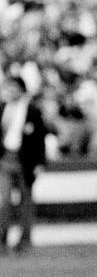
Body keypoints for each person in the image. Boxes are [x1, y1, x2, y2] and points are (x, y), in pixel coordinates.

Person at [0, 75, 47, 252]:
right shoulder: (3, 108)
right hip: (5, 159)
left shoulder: (32, 111)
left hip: (25, 161)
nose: (10, 91)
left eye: (13, 87)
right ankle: (2, 238)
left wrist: (40, 163)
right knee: (3, 201)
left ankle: (24, 239)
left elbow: (40, 138)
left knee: (25, 201)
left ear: (21, 89)